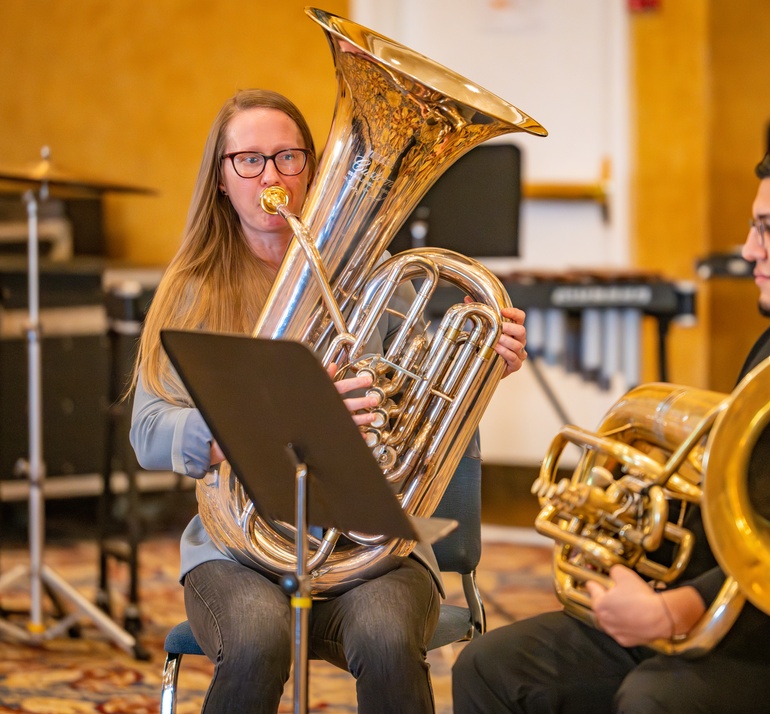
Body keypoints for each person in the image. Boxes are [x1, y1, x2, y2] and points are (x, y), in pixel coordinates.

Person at [452, 132, 770, 714]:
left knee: (653, 702)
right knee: (490, 666)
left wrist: (672, 610)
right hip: (738, 615)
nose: (748, 249)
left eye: (768, 227)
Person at [129, 88, 528, 714]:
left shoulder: (374, 274)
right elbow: (149, 431)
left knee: (389, 636)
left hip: (372, 543)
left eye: (289, 157)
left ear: (312, 171)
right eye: (250, 160)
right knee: (258, 641)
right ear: (222, 180)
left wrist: (485, 367)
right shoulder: (191, 290)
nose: (272, 176)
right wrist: (266, 418)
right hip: (238, 546)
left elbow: (424, 412)